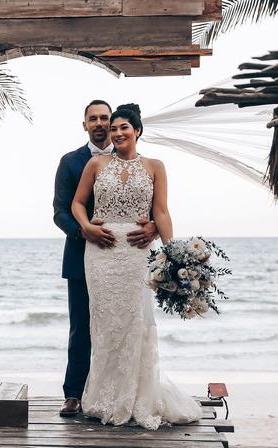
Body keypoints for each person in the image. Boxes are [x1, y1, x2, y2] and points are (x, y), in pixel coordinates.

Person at [71, 103, 202, 429]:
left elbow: (161, 211)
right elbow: (76, 202)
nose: (116, 133)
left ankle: (136, 397)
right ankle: (104, 397)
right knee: (103, 325)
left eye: (123, 127)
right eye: (113, 128)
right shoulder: (95, 164)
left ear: (138, 130)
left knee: (135, 322)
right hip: (100, 254)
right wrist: (86, 226)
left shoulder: (156, 166)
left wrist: (173, 254)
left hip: (137, 254)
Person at [53, 100, 159, 416]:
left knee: (127, 323)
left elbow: (150, 205)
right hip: (84, 258)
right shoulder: (71, 162)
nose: (101, 124)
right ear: (84, 125)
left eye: (105, 118)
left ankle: (120, 392)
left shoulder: (132, 160)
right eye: (93, 119)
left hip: (130, 256)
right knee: (82, 327)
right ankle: (74, 393)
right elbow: (61, 210)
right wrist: (84, 231)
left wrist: (153, 228)